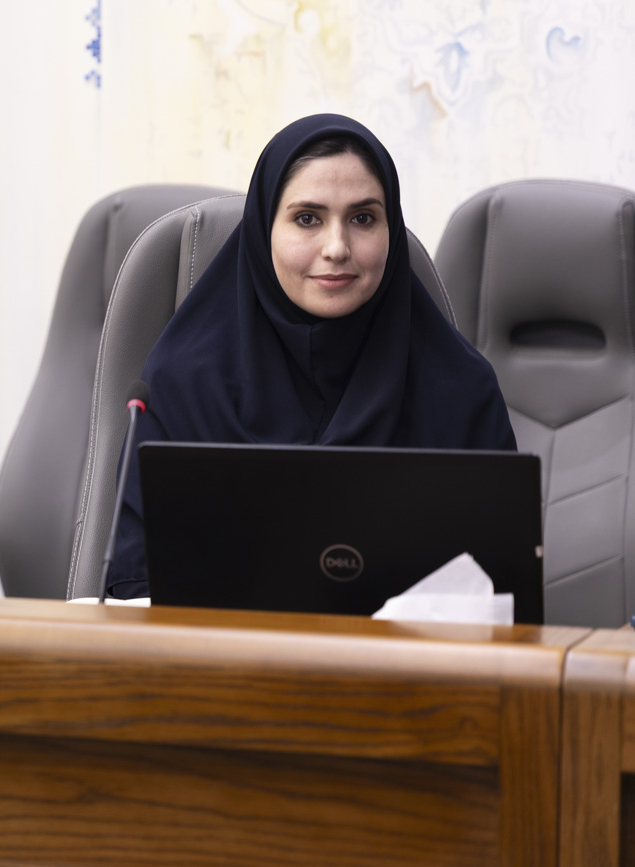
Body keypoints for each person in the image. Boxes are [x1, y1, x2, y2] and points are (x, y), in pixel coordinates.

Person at [106, 114, 516, 599]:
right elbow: (135, 587)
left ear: (392, 230)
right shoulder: (183, 385)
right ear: (264, 229)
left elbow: (502, 592)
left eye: (363, 218)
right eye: (307, 219)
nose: (337, 248)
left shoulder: (460, 391)